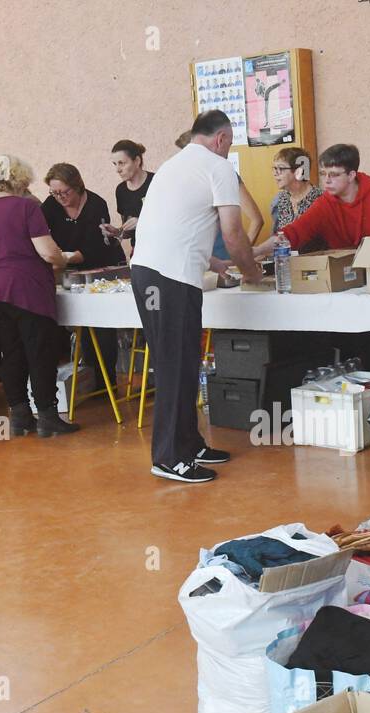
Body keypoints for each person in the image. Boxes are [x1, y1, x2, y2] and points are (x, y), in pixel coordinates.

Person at [130, 110, 263, 484]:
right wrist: (251, 272)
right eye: (230, 143)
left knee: (183, 362)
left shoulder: (175, 165)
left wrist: (215, 261)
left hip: (152, 274)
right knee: (176, 365)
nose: (228, 150)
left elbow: (177, 225)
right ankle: (169, 456)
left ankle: (189, 443)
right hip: (171, 279)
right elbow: (234, 233)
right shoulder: (217, 166)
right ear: (221, 138)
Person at [0, 155, 75, 438]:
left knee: (12, 353)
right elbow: (47, 252)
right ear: (20, 179)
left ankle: (19, 416)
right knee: (40, 353)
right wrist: (61, 259)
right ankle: (48, 417)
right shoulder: (27, 207)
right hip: (27, 290)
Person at [42, 162, 127, 390]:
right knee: (77, 326)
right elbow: (39, 234)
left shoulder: (96, 204)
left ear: (77, 186)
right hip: (71, 271)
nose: (60, 197)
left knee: (101, 328)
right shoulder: (50, 205)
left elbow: (94, 247)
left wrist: (63, 258)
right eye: (54, 192)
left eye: (64, 192)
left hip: (101, 267)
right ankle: (84, 375)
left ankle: (106, 382)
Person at [253, 143, 370, 257]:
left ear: (351, 175)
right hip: (345, 272)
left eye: (334, 174)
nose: (327, 180)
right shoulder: (324, 204)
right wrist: (257, 250)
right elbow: (294, 232)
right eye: (323, 174)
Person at [173, 131, 264, 270]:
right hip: (195, 262)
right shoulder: (183, 179)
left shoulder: (225, 174)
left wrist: (240, 257)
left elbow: (256, 220)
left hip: (224, 261)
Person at [106, 140, 153, 247]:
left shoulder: (156, 182)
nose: (117, 170)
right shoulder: (121, 190)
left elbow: (171, 220)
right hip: (138, 251)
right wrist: (118, 232)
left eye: (121, 163)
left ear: (137, 161)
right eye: (114, 164)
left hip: (161, 249)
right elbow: (128, 231)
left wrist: (142, 222)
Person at [268, 147, 323, 232]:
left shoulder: (321, 199)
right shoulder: (279, 200)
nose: (275, 173)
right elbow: (277, 237)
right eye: (274, 168)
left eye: (281, 168)